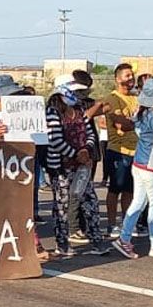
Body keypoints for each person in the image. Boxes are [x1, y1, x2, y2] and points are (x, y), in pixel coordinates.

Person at [112, 78, 153, 260]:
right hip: (152, 166)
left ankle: (124, 238)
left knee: (138, 202)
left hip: (139, 163)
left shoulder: (140, 114)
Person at [46, 80, 108, 257]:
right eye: (76, 92)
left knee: (90, 202)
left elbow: (90, 133)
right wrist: (75, 154)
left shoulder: (80, 111)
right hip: (60, 167)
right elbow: (54, 139)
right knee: (62, 205)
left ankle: (96, 239)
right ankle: (62, 243)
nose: (80, 95)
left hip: (81, 166)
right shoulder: (52, 112)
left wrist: (86, 150)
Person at [102, 64, 139, 237]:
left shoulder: (136, 98)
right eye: (127, 75)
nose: (130, 79)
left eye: (132, 75)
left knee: (129, 191)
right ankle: (111, 224)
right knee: (115, 189)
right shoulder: (112, 98)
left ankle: (127, 223)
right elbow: (121, 124)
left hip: (135, 151)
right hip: (118, 150)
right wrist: (137, 123)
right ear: (117, 79)